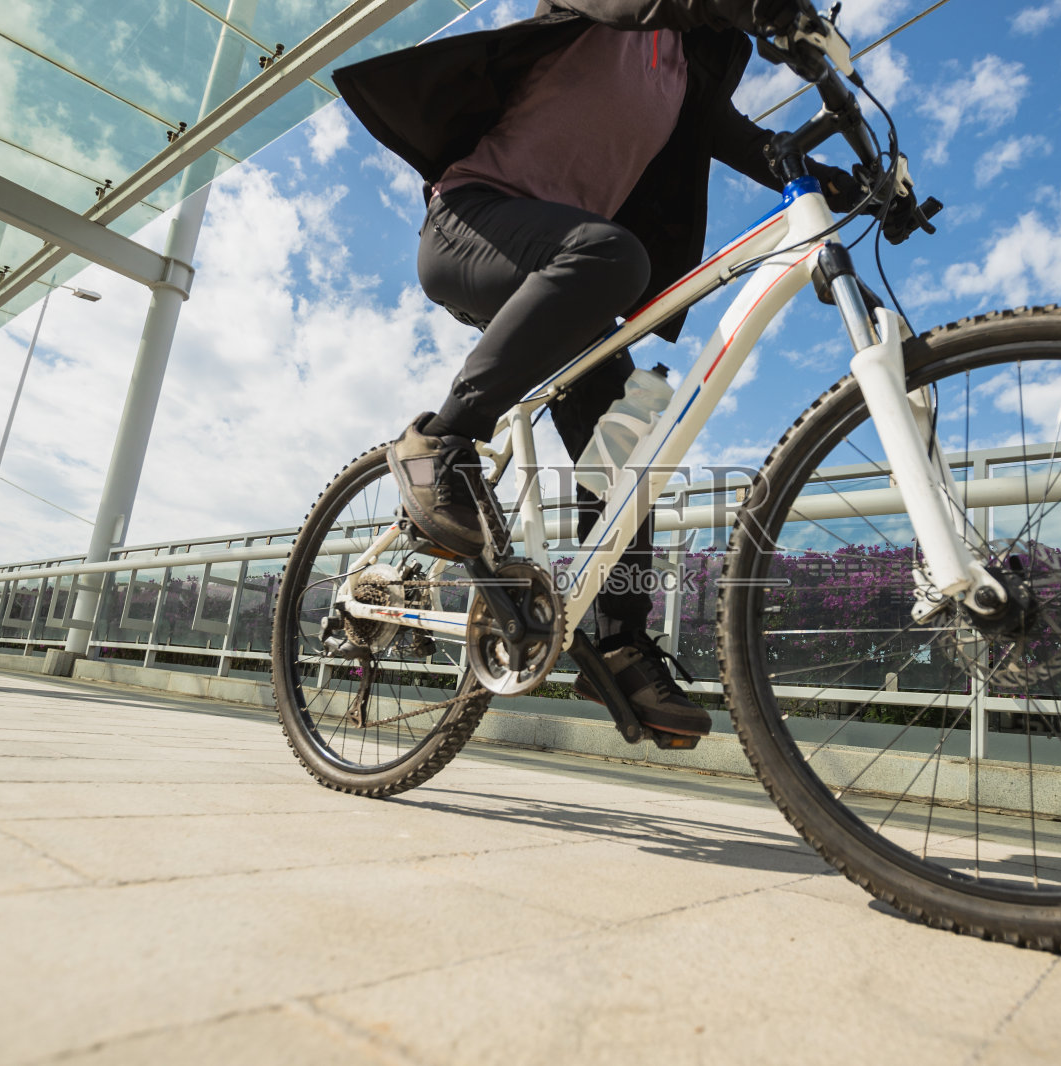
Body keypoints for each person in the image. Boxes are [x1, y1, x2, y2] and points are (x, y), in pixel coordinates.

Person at [334, 0, 863, 736]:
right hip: (471, 221)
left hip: (565, 274)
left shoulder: (686, 75)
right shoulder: (614, 10)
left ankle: (616, 641)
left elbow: (738, 137)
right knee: (614, 254)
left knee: (633, 433)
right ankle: (440, 441)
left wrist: (830, 174)